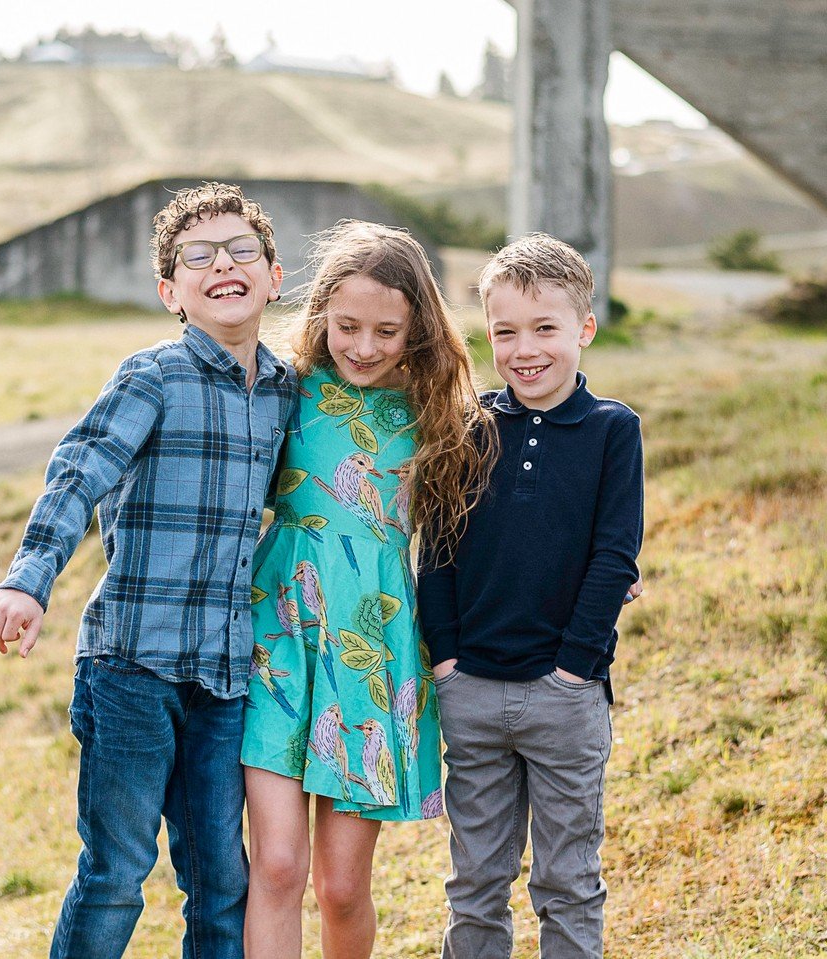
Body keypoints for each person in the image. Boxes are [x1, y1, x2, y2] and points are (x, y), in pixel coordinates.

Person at [0, 182, 298, 959]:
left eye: (241, 250)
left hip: (223, 679)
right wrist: (27, 577)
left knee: (222, 878)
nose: (223, 264)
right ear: (170, 291)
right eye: (199, 256)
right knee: (118, 867)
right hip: (129, 667)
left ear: (274, 276)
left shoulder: (287, 392)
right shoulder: (152, 376)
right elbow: (76, 474)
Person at [241, 220, 495, 959]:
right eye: (346, 325)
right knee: (279, 864)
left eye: (385, 330)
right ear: (320, 314)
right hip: (279, 637)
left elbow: (483, 536)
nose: (361, 344)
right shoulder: (285, 393)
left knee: (342, 888)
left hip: (372, 649)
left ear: (416, 328)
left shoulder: (440, 415)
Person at [419, 233, 646, 959]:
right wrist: (447, 663)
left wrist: (575, 669)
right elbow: (439, 551)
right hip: (472, 690)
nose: (525, 349)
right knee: (475, 882)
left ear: (583, 328)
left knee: (567, 880)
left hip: (564, 695)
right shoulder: (467, 426)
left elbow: (614, 556)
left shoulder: (613, 430)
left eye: (545, 328)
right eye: (505, 331)